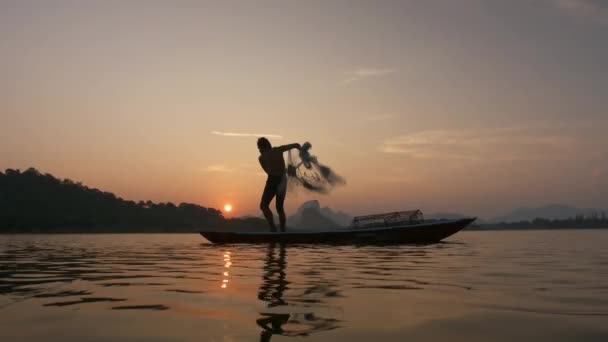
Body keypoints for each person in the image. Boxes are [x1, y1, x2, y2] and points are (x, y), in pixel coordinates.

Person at [257, 137, 301, 232]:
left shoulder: (261, 158)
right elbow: (294, 145)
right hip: (282, 180)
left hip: (272, 180)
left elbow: (268, 171)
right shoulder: (278, 150)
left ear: (262, 147)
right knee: (279, 208)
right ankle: (282, 230)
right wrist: (300, 148)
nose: (259, 150)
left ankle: (273, 227)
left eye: (259, 148)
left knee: (263, 205)